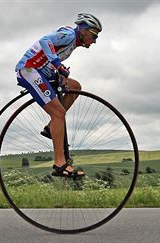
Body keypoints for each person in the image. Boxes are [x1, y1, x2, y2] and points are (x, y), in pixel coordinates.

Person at [14, 13, 102, 178]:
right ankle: (60, 164)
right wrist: (57, 65)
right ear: (83, 30)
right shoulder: (69, 35)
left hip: (42, 70)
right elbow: (45, 41)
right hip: (29, 70)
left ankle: (51, 128)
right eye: (94, 35)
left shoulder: (73, 43)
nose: (95, 40)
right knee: (59, 113)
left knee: (74, 86)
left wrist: (58, 72)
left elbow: (48, 57)